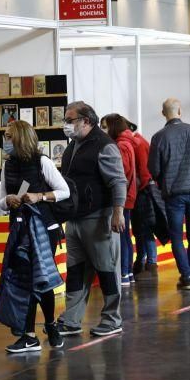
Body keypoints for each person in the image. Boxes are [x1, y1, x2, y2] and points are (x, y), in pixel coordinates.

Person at [56, 102, 128, 338]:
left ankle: (112, 319)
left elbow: (118, 181)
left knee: (107, 270)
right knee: (75, 271)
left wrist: (118, 212)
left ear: (86, 120)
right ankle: (72, 319)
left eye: (70, 119)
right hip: (75, 220)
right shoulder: (73, 146)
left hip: (100, 218)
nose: (66, 124)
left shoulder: (104, 146)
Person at [0, 120, 70, 353]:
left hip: (44, 229)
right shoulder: (7, 166)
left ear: (20, 137)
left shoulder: (43, 162)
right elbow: (0, 200)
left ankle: (48, 325)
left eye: (9, 136)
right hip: (19, 229)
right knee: (24, 282)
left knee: (42, 278)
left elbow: (64, 191)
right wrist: (8, 201)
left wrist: (40, 196)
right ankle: (29, 334)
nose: (5, 141)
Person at [149, 98, 190, 291]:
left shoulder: (159, 137)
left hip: (173, 193)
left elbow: (153, 168)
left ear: (163, 113)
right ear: (180, 111)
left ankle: (186, 276)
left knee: (176, 235)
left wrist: (163, 180)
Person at [101, 114, 138, 287]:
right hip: (128, 196)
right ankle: (128, 272)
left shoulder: (121, 146)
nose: (102, 131)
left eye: (104, 126)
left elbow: (119, 173)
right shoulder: (127, 143)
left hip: (123, 198)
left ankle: (123, 272)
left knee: (122, 237)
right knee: (125, 237)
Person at [122, 119, 157, 276]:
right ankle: (143, 260)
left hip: (142, 191)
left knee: (144, 228)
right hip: (141, 190)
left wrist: (137, 190)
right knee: (140, 228)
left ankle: (150, 262)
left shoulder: (137, 143)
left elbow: (143, 171)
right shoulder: (137, 141)